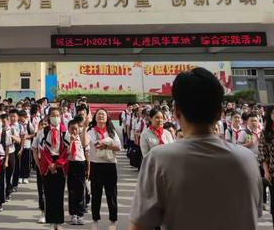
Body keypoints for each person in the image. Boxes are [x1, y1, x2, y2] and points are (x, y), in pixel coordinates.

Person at [129, 67, 263, 230]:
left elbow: (140, 226)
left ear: (176, 112)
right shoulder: (248, 159)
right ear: (220, 113)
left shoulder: (158, 160)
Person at [82, 109, 121, 230]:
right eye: (98, 114)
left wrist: (107, 146)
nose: (101, 116)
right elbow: (84, 143)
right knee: (96, 195)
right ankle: (95, 220)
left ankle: (113, 221)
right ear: (95, 118)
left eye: (103, 114)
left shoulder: (111, 132)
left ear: (107, 117)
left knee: (112, 195)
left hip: (110, 166)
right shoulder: (91, 131)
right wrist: (84, 127)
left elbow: (118, 147)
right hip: (96, 165)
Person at [32, 107, 69, 230]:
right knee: (48, 193)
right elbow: (41, 150)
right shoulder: (44, 131)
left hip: (60, 163)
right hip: (47, 164)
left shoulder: (64, 131)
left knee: (59, 194)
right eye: (53, 115)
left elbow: (66, 150)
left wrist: (57, 163)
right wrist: (49, 164)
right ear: (49, 117)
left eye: (58, 115)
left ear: (61, 117)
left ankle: (59, 221)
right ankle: (51, 220)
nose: (55, 117)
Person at [67, 118, 90, 226]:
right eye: (72, 129)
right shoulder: (66, 138)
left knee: (81, 190)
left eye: (76, 129)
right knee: (72, 190)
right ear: (68, 129)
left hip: (81, 164)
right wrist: (71, 141)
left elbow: (87, 152)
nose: (74, 131)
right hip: (71, 164)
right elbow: (67, 152)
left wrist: (88, 167)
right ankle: (73, 214)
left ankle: (80, 214)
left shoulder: (82, 138)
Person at [258, 105, 274, 226]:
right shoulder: (265, 132)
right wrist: (266, 171)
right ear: (269, 115)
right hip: (272, 170)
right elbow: (263, 152)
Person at [18, 110, 34, 184]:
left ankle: (26, 176)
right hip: (19, 145)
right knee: (20, 161)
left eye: (22, 117)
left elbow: (33, 134)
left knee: (26, 162)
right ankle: (20, 176)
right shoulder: (17, 124)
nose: (21, 119)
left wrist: (27, 136)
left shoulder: (28, 124)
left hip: (27, 145)